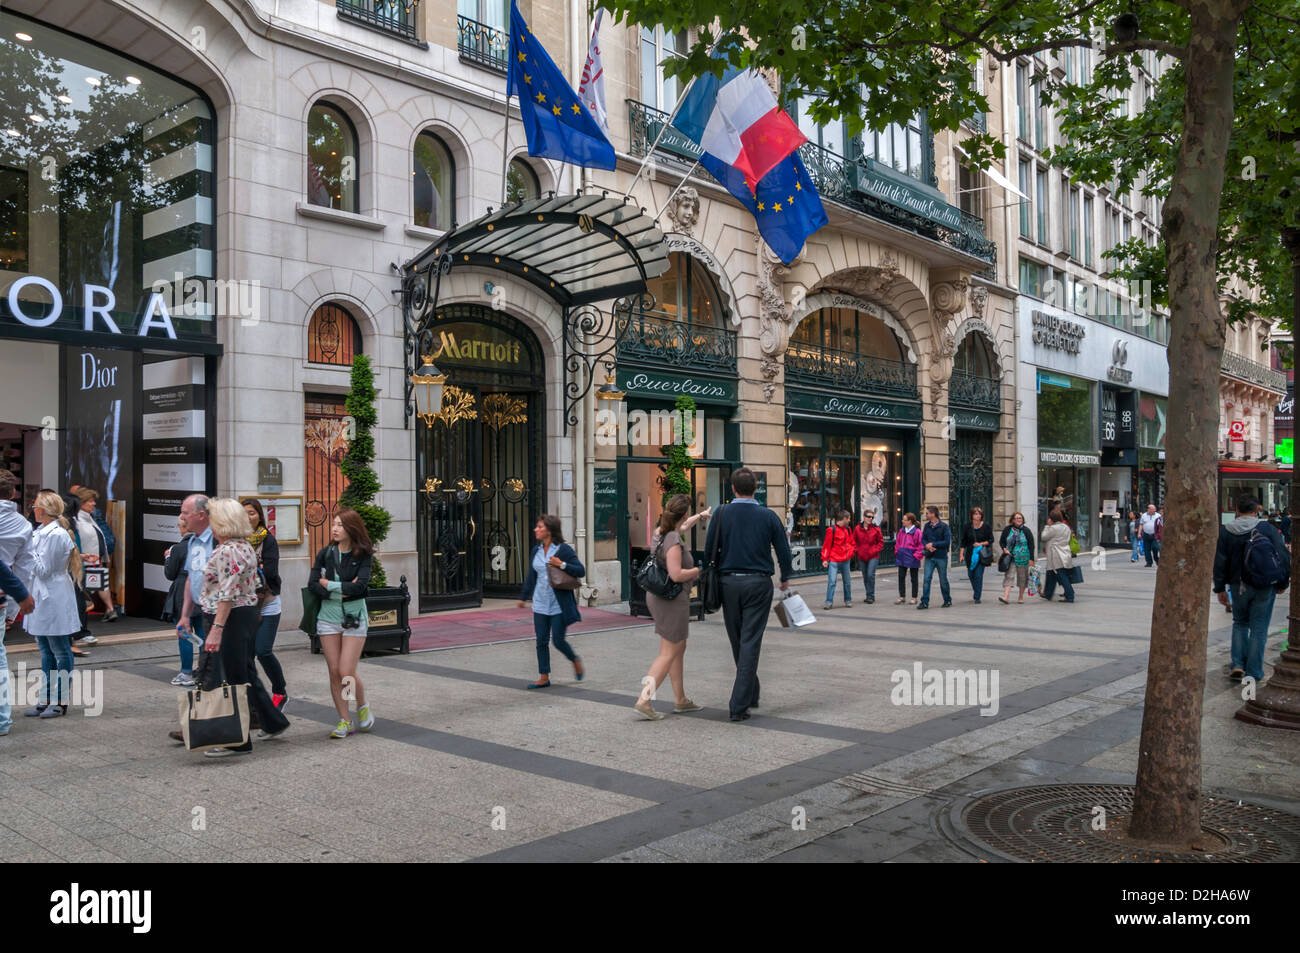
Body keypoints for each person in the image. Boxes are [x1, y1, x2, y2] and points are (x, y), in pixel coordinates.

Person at [196, 498, 290, 756]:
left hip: (232, 616)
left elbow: (227, 593)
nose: (210, 524)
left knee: (234, 678)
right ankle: (273, 721)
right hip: (243, 614)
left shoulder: (229, 550)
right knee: (246, 672)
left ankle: (238, 740)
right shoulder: (242, 546)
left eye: (213, 518)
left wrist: (216, 628)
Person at [704, 467, 793, 723]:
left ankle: (747, 695)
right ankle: (741, 701)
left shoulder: (721, 513)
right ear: (756, 488)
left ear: (733, 488)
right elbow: (783, 550)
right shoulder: (768, 516)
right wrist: (785, 576)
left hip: (728, 583)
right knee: (750, 640)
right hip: (758, 584)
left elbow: (710, 548)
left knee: (738, 639)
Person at [634, 494, 709, 720]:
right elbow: (676, 575)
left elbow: (684, 525)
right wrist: (698, 571)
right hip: (671, 600)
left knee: (678, 647)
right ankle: (644, 699)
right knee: (668, 652)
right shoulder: (674, 541)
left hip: (658, 597)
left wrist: (701, 516)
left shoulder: (661, 532)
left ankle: (681, 700)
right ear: (683, 513)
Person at [309, 509, 375, 737]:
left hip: (354, 618)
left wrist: (330, 585)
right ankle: (344, 720)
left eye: (340, 525)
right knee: (334, 671)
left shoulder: (363, 555)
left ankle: (362, 705)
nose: (335, 528)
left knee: (347, 671)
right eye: (334, 524)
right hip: (328, 618)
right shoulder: (325, 553)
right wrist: (341, 590)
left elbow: (360, 588)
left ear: (352, 529)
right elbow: (312, 585)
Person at [1213, 494, 1289, 682]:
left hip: (1238, 585)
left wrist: (1220, 588)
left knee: (1240, 623)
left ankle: (1237, 664)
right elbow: (1282, 555)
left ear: (1237, 510)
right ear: (1257, 511)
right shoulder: (1267, 529)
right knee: (1259, 628)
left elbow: (1220, 561)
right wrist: (1283, 583)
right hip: (1264, 585)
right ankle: (1254, 672)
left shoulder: (1226, 531)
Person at [22, 492, 81, 719]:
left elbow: (45, 570)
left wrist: (27, 552)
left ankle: (61, 700)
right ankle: (45, 698)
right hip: (42, 595)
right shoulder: (41, 532)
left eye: (35, 505)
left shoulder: (56, 535)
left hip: (54, 596)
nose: (33, 509)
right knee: (45, 649)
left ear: (43, 510)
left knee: (59, 649)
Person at [518, 514, 585, 690]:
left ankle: (574, 659)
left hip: (558, 604)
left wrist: (562, 564)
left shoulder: (563, 550)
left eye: (540, 527)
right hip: (540, 603)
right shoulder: (536, 551)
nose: (536, 529)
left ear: (549, 530)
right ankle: (544, 676)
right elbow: (532, 576)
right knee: (541, 641)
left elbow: (580, 571)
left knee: (558, 640)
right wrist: (523, 597)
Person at [242, 498, 287, 713]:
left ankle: (280, 691)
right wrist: (255, 567)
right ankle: (253, 704)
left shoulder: (267, 540)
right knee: (247, 656)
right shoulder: (237, 540)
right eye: (244, 513)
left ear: (260, 515)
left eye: (252, 513)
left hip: (268, 604)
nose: (248, 517)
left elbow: (269, 573)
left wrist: (248, 569)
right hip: (246, 606)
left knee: (263, 650)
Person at [0, 470, 35, 736]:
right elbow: (23, 570)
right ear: (13, 493)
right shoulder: (22, 524)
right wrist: (14, 609)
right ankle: (1, 719)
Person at [71, 488, 120, 624]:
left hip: (92, 559)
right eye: (90, 501)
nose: (93, 504)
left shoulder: (88, 518)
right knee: (82, 588)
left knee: (100, 583)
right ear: (81, 503)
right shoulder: (77, 521)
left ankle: (110, 609)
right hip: (83, 561)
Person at [162, 516, 196, 686]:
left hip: (182, 593)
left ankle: (186, 672)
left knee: (185, 635)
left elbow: (170, 574)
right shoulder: (205, 546)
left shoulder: (178, 548)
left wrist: (168, 558)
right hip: (202, 592)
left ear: (184, 528)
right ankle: (208, 670)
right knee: (204, 634)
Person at [918, 505, 952, 609]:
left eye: (927, 513)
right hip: (929, 556)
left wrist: (933, 544)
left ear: (933, 514)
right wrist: (927, 545)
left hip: (941, 557)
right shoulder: (927, 526)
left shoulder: (944, 527)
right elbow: (923, 539)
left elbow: (946, 542)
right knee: (926, 579)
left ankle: (947, 600)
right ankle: (924, 602)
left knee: (943, 579)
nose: (926, 514)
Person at [1039, 509, 1076, 603]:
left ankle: (1070, 595)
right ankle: (1048, 594)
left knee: (1061, 575)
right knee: (1052, 573)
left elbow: (1044, 536)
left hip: (1056, 554)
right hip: (1065, 553)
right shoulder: (1066, 527)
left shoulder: (1053, 528)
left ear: (1052, 519)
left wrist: (1047, 526)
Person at [820, 509, 854, 610]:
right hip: (834, 560)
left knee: (847, 582)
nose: (849, 521)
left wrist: (851, 552)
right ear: (844, 518)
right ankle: (829, 602)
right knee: (832, 582)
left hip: (845, 560)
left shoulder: (848, 530)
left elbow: (851, 542)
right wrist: (824, 559)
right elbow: (826, 546)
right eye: (848, 519)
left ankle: (848, 600)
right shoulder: (831, 530)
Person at [998, 512, 1035, 604]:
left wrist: (1031, 559)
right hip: (1011, 557)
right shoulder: (1007, 529)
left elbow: (1031, 545)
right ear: (1013, 520)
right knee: (1009, 576)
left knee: (1022, 577)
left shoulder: (1027, 531)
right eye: (1016, 518)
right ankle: (1006, 596)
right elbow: (1002, 541)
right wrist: (1004, 549)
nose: (1018, 520)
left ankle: (1021, 597)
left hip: (1023, 558)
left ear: (1022, 520)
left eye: (1020, 518)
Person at [959, 507, 994, 604]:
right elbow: (963, 542)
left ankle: (977, 596)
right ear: (972, 515)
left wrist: (981, 543)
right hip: (970, 554)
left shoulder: (986, 526)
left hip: (981, 554)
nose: (977, 515)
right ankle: (976, 590)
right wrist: (961, 554)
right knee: (971, 575)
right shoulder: (967, 526)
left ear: (981, 515)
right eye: (975, 514)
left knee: (978, 575)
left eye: (979, 514)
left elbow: (991, 540)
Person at [852, 508, 884, 605]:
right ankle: (868, 595)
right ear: (864, 517)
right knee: (865, 576)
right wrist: (857, 550)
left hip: (873, 556)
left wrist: (875, 549)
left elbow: (880, 542)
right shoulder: (857, 529)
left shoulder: (876, 529)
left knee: (870, 575)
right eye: (869, 516)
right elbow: (853, 541)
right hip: (862, 556)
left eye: (872, 517)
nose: (870, 519)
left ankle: (871, 596)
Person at [894, 512, 923, 604]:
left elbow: (921, 545)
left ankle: (914, 597)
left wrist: (916, 556)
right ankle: (902, 596)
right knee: (901, 577)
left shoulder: (917, 532)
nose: (902, 521)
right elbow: (897, 543)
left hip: (912, 557)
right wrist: (897, 551)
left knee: (914, 578)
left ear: (909, 521)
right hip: (902, 556)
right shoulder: (901, 531)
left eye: (904, 519)